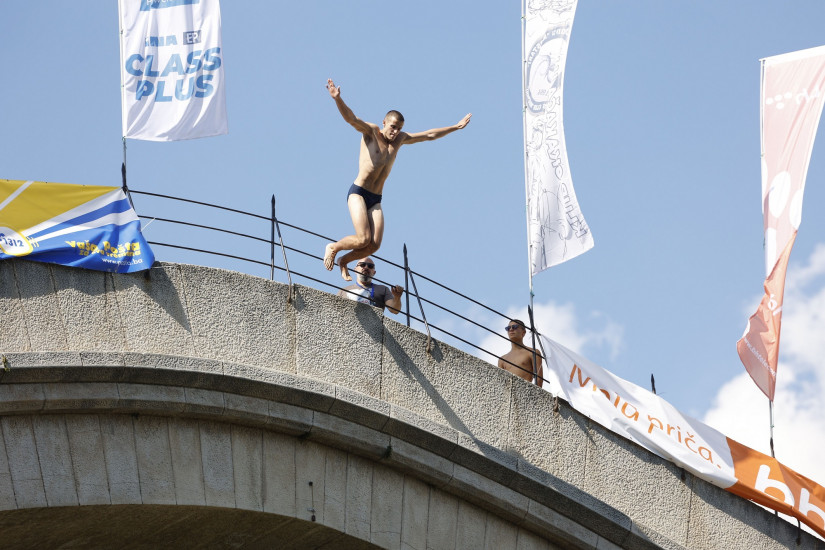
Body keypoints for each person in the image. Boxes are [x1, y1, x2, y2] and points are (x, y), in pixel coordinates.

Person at [323, 78, 472, 281]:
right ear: (384, 122)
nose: (395, 132)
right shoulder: (372, 132)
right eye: (393, 127)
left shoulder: (400, 140)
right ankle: (333, 246)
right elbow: (352, 119)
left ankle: (344, 261)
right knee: (363, 238)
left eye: (399, 128)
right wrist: (337, 99)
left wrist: (455, 127)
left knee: (374, 244)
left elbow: (429, 135)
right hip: (358, 192)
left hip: (375, 198)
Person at [337, 257, 404, 315]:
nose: (366, 267)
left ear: (374, 272)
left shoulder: (382, 289)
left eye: (370, 266)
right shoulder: (344, 291)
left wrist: (397, 297)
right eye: (362, 265)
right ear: (355, 269)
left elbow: (394, 310)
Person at [498, 319, 543, 387]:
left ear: (523, 332)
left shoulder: (532, 352)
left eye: (514, 327)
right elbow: (500, 382)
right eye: (508, 328)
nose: (511, 329)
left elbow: (539, 379)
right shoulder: (502, 359)